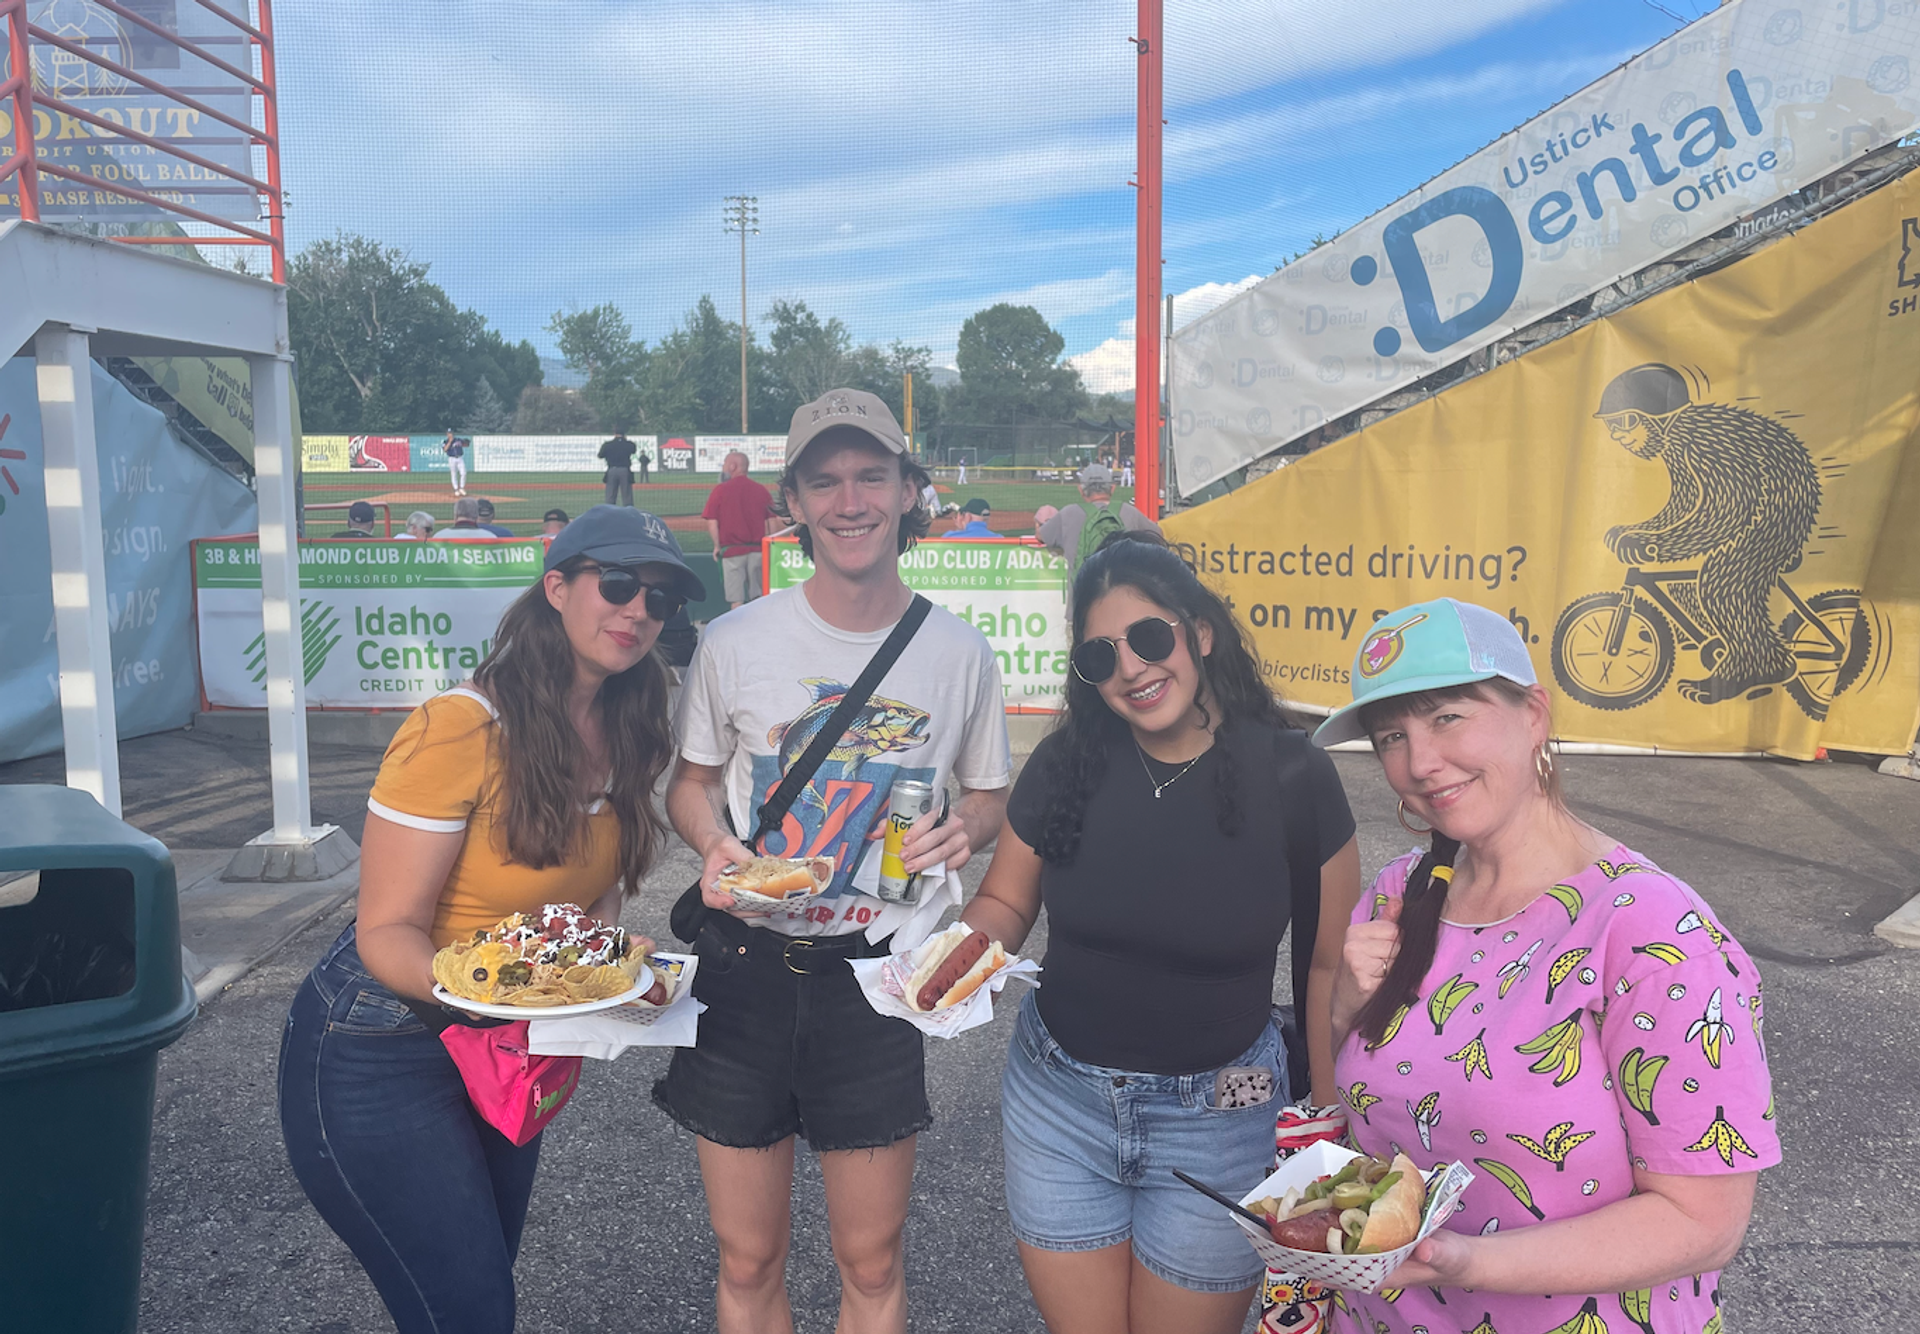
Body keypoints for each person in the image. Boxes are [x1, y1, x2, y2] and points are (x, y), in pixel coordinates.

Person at [277, 506, 702, 1334]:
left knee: (477, 1292)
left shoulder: (630, 722)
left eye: (660, 599)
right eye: (619, 584)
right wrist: (499, 992)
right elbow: (385, 929)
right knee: (467, 1310)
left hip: (505, 1039)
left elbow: (597, 892)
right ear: (556, 588)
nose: (639, 611)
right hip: (383, 1036)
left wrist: (599, 964)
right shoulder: (459, 728)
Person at [1313, 597, 1778, 1334]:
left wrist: (1464, 1260)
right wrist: (1344, 1006)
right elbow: (1366, 1106)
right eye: (1391, 736)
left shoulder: (1653, 934)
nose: (1419, 763)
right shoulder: (1403, 892)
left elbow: (1704, 1224)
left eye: (1447, 717)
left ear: (1534, 715)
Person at [657, 387, 1012, 1334]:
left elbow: (989, 793)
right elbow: (689, 785)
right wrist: (713, 843)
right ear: (796, 503)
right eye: (825, 482)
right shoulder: (733, 641)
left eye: (871, 476)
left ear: (908, 490)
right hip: (744, 966)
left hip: (876, 977)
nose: (850, 501)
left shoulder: (960, 652)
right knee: (747, 1258)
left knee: (872, 1259)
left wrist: (967, 830)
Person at [957, 537, 1359, 1334]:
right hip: (1058, 1103)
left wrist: (1326, 1120)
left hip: (1224, 1115)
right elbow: (1003, 901)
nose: (1131, 669)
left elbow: (1327, 966)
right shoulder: (1067, 763)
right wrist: (954, 965)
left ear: (1199, 632)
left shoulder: (1293, 775)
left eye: (1148, 637)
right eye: (1100, 656)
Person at [1038, 463, 1161, 578]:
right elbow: (1158, 534)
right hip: (1121, 589)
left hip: (1083, 592)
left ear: (1081, 490)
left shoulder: (1068, 513)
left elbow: (1040, 535)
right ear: (1112, 488)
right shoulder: (1129, 512)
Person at [701, 449, 776, 610]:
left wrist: (717, 546)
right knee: (758, 599)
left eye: (725, 464)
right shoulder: (761, 490)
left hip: (732, 552)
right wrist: (771, 545)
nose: (723, 468)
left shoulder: (721, 490)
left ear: (733, 466)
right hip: (758, 551)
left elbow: (712, 521)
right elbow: (772, 522)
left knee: (736, 601)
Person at [600, 431, 637, 507]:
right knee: (627, 495)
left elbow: (600, 455)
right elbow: (633, 450)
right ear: (624, 435)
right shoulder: (629, 444)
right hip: (624, 470)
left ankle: (609, 511)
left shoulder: (608, 445)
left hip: (612, 469)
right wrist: (624, 440)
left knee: (610, 495)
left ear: (614, 434)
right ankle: (628, 512)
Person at [443, 429, 468, 496]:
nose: (450, 434)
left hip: (460, 458)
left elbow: (466, 444)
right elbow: (445, 449)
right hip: (452, 458)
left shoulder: (458, 440)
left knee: (464, 473)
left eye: (451, 433)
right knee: (454, 474)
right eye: (449, 433)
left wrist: (466, 442)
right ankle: (456, 489)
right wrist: (450, 442)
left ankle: (462, 488)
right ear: (447, 434)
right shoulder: (445, 441)